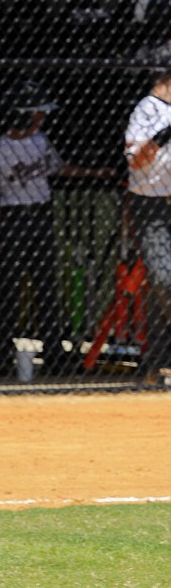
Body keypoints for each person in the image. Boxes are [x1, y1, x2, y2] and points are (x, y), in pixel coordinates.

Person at [0, 80, 115, 375]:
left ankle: (54, 354)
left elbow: (58, 168)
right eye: (36, 114)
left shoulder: (40, 141)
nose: (41, 120)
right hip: (13, 218)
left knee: (47, 288)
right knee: (10, 290)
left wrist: (94, 173)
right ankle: (4, 356)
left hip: (41, 216)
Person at [124, 63, 171, 383]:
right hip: (152, 205)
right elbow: (137, 161)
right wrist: (163, 134)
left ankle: (159, 361)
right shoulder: (147, 110)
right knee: (165, 279)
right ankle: (160, 358)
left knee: (162, 286)